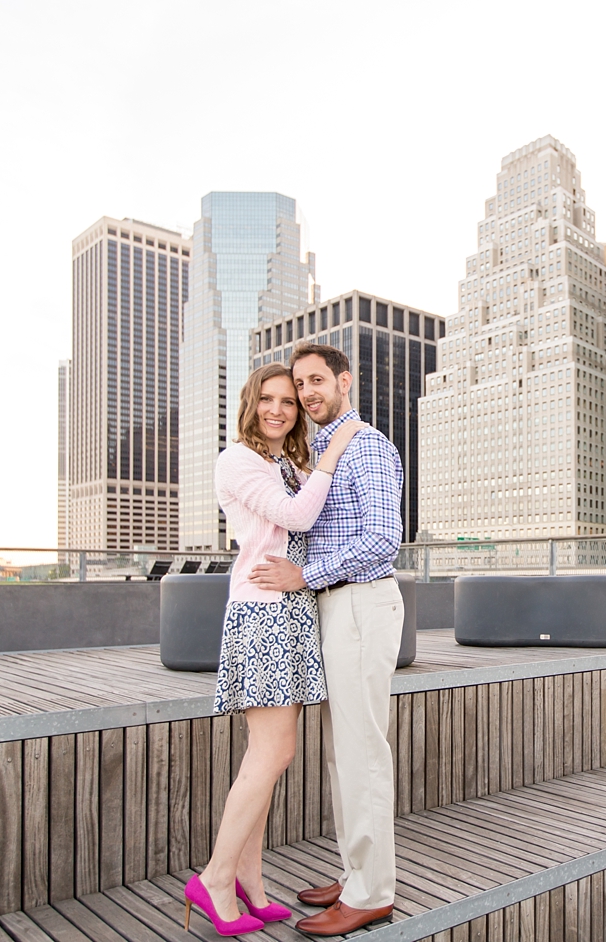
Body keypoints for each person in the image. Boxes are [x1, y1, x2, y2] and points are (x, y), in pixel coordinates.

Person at [182, 363, 362, 936]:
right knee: (274, 753)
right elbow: (295, 515)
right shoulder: (238, 459)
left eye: (289, 399)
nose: (280, 409)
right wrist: (335, 454)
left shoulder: (281, 462)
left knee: (265, 755)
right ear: (250, 403)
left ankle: (250, 882)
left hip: (289, 611)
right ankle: (214, 879)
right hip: (263, 614)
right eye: (269, 399)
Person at [250, 342, 405, 936]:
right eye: (299, 383)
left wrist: (302, 575)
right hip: (334, 608)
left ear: (345, 381)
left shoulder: (365, 445)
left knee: (362, 752)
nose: (307, 392)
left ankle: (371, 893)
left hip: (359, 604)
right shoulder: (318, 450)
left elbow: (382, 540)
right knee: (345, 752)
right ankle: (356, 873)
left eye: (317, 380)